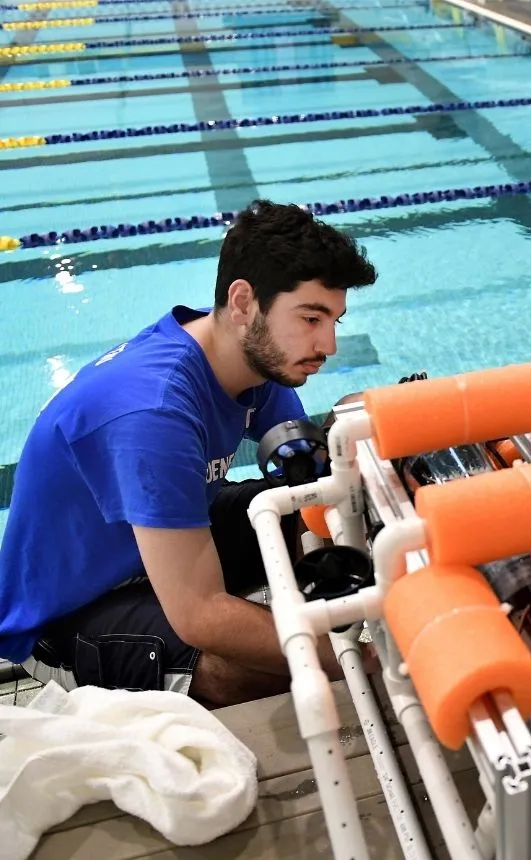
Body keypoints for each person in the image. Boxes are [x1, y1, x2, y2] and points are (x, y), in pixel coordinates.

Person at [0, 200, 378, 706]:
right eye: (311, 318)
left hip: (159, 546)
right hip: (73, 610)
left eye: (334, 320)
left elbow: (306, 473)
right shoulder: (154, 412)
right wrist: (361, 663)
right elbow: (200, 615)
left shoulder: (247, 355)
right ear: (243, 302)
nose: (328, 344)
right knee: (248, 670)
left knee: (303, 504)